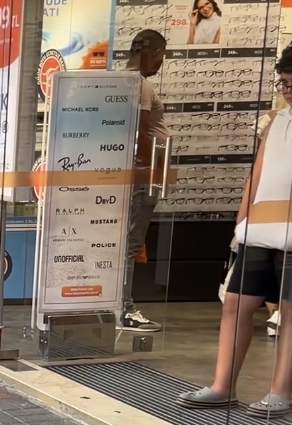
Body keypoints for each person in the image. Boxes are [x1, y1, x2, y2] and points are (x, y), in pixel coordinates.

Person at [178, 40, 292, 419]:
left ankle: (282, 392)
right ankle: (223, 385)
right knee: (236, 303)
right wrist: (243, 219)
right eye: (284, 82)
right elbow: (257, 173)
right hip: (261, 227)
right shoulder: (277, 119)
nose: (289, 90)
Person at [120, 30, 169, 333]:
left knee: (130, 242)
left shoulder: (131, 81)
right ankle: (124, 309)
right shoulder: (138, 84)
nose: (161, 62)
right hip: (143, 175)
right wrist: (146, 168)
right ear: (152, 52)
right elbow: (138, 131)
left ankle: (120, 306)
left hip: (145, 173)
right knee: (130, 242)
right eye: (162, 55)